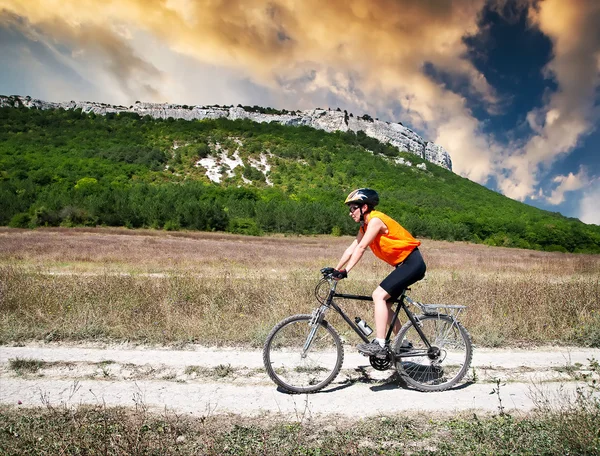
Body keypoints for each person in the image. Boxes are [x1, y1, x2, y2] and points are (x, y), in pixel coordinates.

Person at [333, 188, 426, 357]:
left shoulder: (376, 220)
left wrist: (346, 271)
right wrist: (336, 269)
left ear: (364, 207)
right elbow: (351, 248)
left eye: (353, 208)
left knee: (378, 295)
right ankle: (403, 344)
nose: (350, 213)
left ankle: (380, 343)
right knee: (386, 305)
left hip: (412, 263)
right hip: (403, 265)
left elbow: (361, 248)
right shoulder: (365, 227)